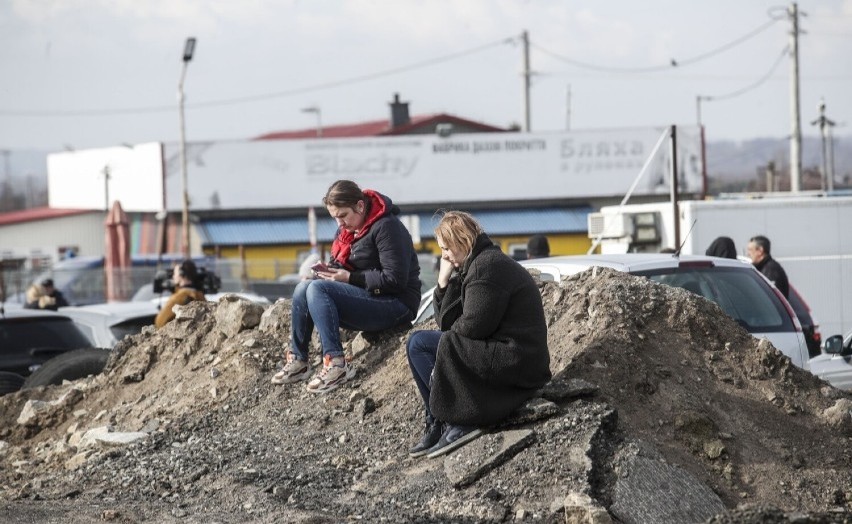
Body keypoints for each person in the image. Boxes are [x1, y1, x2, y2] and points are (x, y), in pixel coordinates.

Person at [406, 211, 551, 458]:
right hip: (501, 349)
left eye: (447, 249)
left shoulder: (488, 266)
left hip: (516, 357)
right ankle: (439, 421)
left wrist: (446, 347)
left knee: (433, 343)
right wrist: (442, 282)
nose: (445, 256)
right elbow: (446, 322)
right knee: (417, 343)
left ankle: (461, 420)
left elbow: (473, 327)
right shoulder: (475, 265)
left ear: (462, 242)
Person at [271, 179, 422, 393]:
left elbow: (395, 280)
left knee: (317, 289)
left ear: (360, 206)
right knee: (304, 288)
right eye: (335, 218)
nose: (339, 223)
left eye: (343, 215)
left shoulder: (387, 227)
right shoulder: (346, 231)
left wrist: (349, 278)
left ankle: (337, 364)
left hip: (397, 303)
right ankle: (298, 360)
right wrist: (327, 273)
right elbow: (339, 266)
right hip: (367, 297)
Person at [154, 260, 206, 328]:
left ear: (181, 274)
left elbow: (159, 322)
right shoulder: (200, 295)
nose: (173, 276)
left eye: (175, 273)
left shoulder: (179, 297)